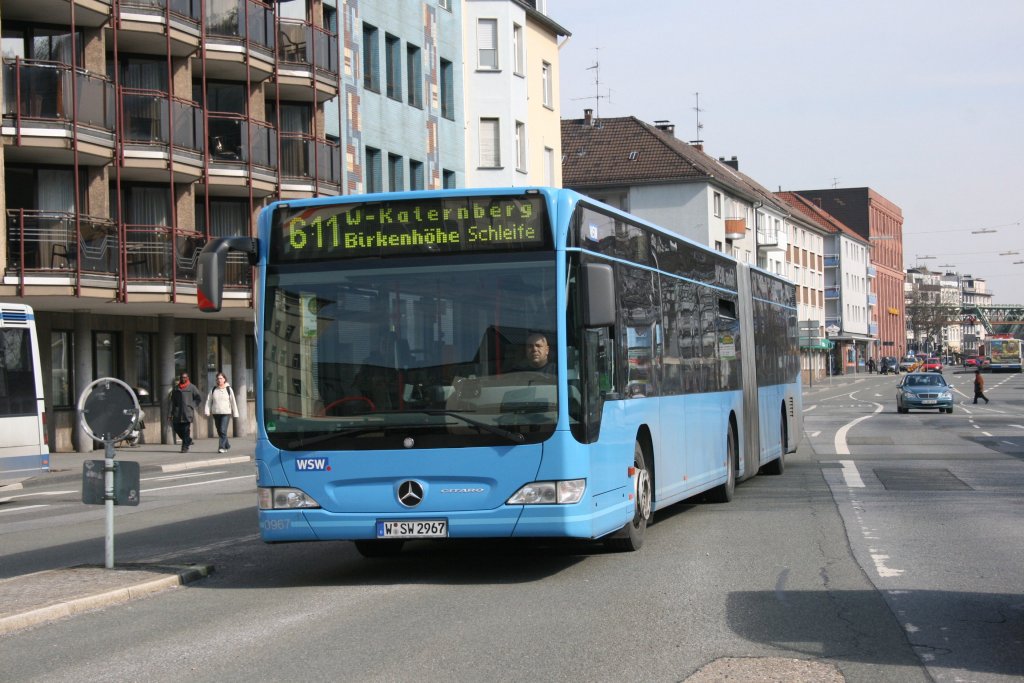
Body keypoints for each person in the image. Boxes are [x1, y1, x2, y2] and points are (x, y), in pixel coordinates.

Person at [205, 371, 240, 453]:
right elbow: (208, 401)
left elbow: (233, 401)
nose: (219, 380)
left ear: (224, 379)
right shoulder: (213, 389)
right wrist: (207, 410)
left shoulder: (228, 389)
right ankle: (227, 445)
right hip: (216, 413)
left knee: (223, 430)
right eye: (217, 379)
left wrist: (235, 413)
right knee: (219, 431)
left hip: (226, 413)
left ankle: (222, 447)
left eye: (221, 378)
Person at [168, 371, 203, 452]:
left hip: (187, 413)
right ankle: (188, 440)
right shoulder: (176, 388)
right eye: (181, 377)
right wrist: (170, 414)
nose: (182, 379)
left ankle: (184, 447)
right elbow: (172, 402)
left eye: (184, 377)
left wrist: (191, 405)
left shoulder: (192, 387)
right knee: (176, 429)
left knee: (185, 430)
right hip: (177, 413)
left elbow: (198, 399)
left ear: (187, 378)